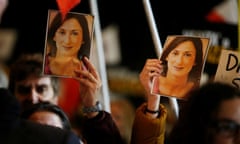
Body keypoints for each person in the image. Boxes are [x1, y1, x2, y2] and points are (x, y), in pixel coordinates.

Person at [8, 53, 124, 144]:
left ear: (56, 95)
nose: (33, 97)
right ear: (12, 96)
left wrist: (91, 107)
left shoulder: (72, 137)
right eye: (24, 90)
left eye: (41, 89)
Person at [44, 10, 92, 78]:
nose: (67, 41)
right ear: (54, 36)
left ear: (83, 39)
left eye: (74, 33)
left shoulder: (88, 72)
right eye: (62, 32)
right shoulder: (41, 64)